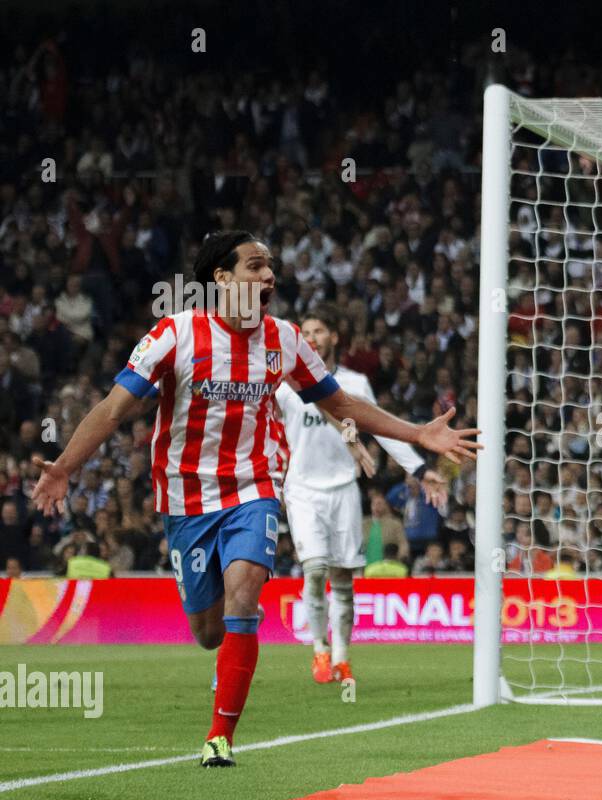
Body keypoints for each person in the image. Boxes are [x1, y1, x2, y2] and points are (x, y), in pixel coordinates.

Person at [31, 231, 481, 768]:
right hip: (187, 498)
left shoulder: (284, 339)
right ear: (221, 278)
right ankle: (231, 629)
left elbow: (341, 403)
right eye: (254, 266)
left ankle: (220, 737)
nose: (268, 277)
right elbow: (112, 410)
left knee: (244, 593)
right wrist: (63, 468)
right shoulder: (176, 334)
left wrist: (417, 435)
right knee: (206, 632)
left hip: (256, 488)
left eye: (270, 268)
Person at [276, 310, 445, 685]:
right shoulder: (286, 385)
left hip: (343, 490)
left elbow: (383, 429)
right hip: (302, 490)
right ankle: (319, 648)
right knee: (315, 569)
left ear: (334, 337)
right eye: (306, 332)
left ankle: (342, 657)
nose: (313, 337)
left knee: (343, 578)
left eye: (320, 329)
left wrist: (418, 468)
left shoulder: (354, 383)